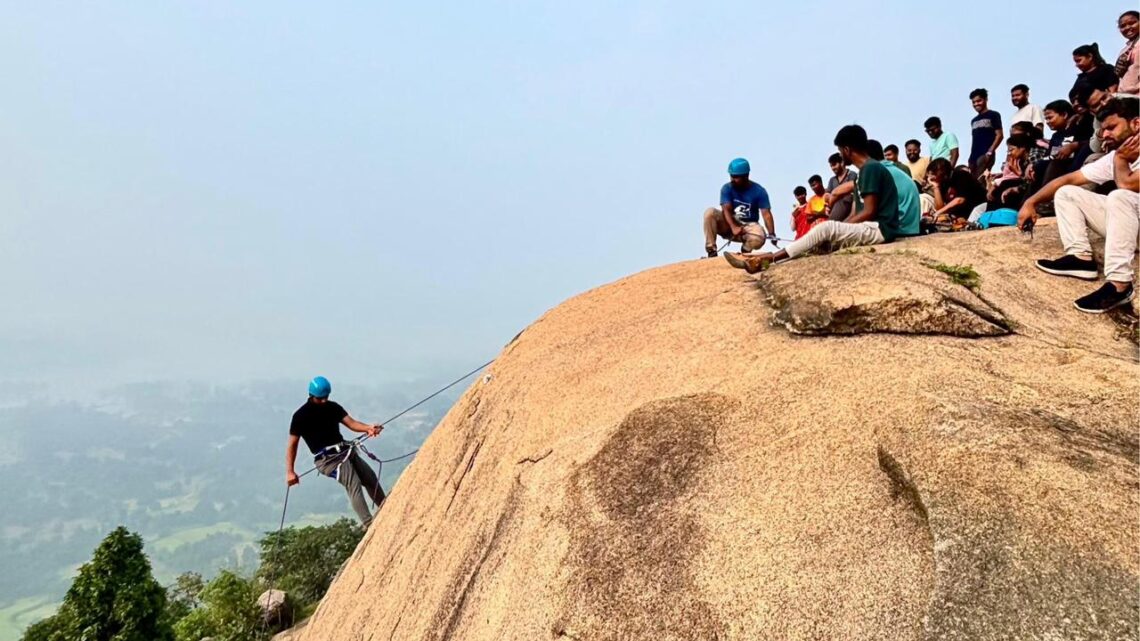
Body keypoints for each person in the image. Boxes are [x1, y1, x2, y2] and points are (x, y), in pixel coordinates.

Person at [722, 125, 918, 273]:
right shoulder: (866, 170)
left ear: (847, 149)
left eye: (841, 151)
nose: (841, 155)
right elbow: (861, 211)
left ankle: (769, 259)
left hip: (881, 230)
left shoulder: (871, 169)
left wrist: (841, 228)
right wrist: (843, 228)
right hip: (874, 228)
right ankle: (769, 259)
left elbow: (869, 211)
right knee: (823, 238)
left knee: (826, 228)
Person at [1026, 98, 1140, 312]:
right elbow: (1070, 179)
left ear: (1136, 124)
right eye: (1103, 129)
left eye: (1112, 128)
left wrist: (1121, 160)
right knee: (1067, 193)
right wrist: (1030, 202)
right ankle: (1080, 259)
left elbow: (1128, 184)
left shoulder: (1121, 156)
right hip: (1134, 228)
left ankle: (1119, 285)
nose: (1105, 135)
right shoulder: (1119, 155)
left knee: (1120, 196)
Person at [286, 376, 387, 528]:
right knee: (354, 484)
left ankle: (387, 509)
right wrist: (290, 471)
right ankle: (369, 525)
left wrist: (368, 428)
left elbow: (351, 423)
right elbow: (292, 445)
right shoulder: (300, 416)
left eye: (326, 397)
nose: (324, 401)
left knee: (370, 477)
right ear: (311, 396)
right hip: (327, 460)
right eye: (320, 398)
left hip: (345, 450)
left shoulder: (332, 407)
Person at [702, 158, 776, 258]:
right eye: (731, 176)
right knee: (709, 213)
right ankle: (711, 251)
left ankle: (745, 250)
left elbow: (766, 215)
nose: (732, 179)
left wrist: (772, 234)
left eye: (736, 177)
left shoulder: (759, 191)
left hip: (748, 225)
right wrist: (734, 227)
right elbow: (726, 210)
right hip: (729, 223)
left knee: (760, 237)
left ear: (746, 176)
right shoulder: (727, 188)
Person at [928, 157, 987, 224]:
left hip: (979, 208)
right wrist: (936, 187)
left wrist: (938, 213)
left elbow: (960, 199)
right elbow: (940, 207)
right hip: (963, 214)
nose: (932, 177)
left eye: (933, 174)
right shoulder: (943, 183)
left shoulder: (961, 175)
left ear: (942, 172)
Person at [986, 134, 1033, 210]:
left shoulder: (1032, 158)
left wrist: (1016, 171)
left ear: (1022, 148)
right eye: (1008, 151)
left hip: (1029, 188)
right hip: (1022, 185)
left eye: (1011, 150)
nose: (1009, 153)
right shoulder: (1019, 161)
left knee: (1006, 184)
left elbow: (1027, 180)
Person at [968, 89, 1004, 178]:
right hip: (974, 157)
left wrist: (990, 152)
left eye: (979, 101)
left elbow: (999, 135)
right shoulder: (974, 120)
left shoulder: (993, 115)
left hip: (985, 154)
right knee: (971, 181)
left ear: (985, 100)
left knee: (981, 180)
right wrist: (970, 158)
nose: (976, 104)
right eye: (974, 102)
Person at [825, 153, 859, 221]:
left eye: (834, 165)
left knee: (847, 197)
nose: (833, 168)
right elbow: (826, 196)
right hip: (834, 209)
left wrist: (835, 195)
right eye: (831, 166)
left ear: (842, 163)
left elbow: (849, 191)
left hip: (849, 208)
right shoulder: (832, 180)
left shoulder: (852, 175)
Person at [1118, 11, 1140, 95]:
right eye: (1122, 26)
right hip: (1126, 97)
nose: (1127, 28)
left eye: (1132, 23)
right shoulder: (1124, 50)